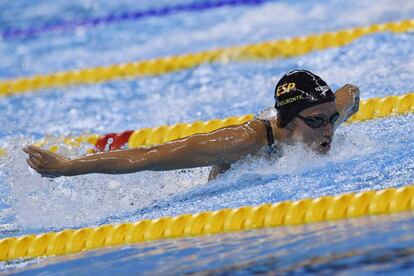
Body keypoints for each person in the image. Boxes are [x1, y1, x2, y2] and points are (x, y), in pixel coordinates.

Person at [23, 70, 360, 180]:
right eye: (318, 121)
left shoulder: (324, 117)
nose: (329, 130)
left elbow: (349, 95)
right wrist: (67, 167)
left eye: (332, 119)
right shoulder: (242, 142)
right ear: (286, 120)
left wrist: (341, 106)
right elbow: (149, 155)